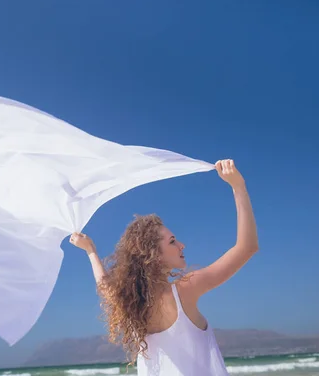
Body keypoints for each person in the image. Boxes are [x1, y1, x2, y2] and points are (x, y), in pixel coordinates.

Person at [69, 159, 258, 376]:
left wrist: (91, 251)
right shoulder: (184, 290)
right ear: (153, 256)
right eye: (172, 241)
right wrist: (238, 186)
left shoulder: (130, 304)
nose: (181, 245)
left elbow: (104, 285)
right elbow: (247, 248)